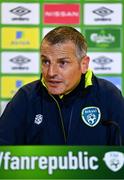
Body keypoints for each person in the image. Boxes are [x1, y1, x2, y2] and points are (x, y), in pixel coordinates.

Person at [0, 26, 124, 145]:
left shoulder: (108, 95)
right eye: (46, 62)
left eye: (62, 63)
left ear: (84, 64)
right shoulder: (26, 97)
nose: (51, 72)